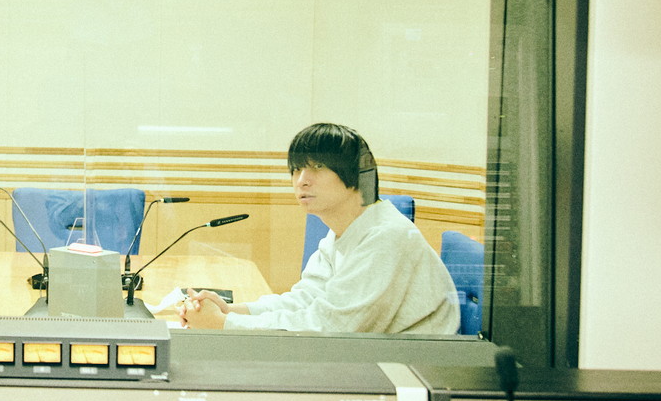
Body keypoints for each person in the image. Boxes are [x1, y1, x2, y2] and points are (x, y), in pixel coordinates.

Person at [179, 123, 458, 334]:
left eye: (318, 167)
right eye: (297, 169)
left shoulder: (386, 237)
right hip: (372, 357)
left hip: (414, 369)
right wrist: (232, 311)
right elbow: (307, 299)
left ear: (357, 173)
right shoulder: (342, 233)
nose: (301, 180)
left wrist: (224, 324)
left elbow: (331, 328)